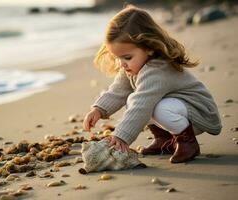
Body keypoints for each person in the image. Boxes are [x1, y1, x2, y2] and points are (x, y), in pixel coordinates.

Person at [83, 5, 222, 163]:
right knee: (133, 99)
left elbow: (141, 105)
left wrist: (121, 136)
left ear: (148, 48)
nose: (122, 64)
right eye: (117, 58)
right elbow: (117, 91)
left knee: (149, 105)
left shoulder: (157, 70)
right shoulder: (133, 68)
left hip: (198, 113)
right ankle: (164, 140)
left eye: (127, 57)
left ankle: (187, 143)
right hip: (179, 111)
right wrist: (98, 109)